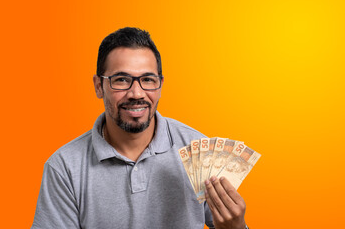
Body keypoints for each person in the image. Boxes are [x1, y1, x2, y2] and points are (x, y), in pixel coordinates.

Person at [32, 27, 248, 229]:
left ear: (160, 86)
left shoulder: (200, 153)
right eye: (121, 79)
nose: (136, 93)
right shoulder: (64, 168)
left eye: (147, 79)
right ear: (99, 86)